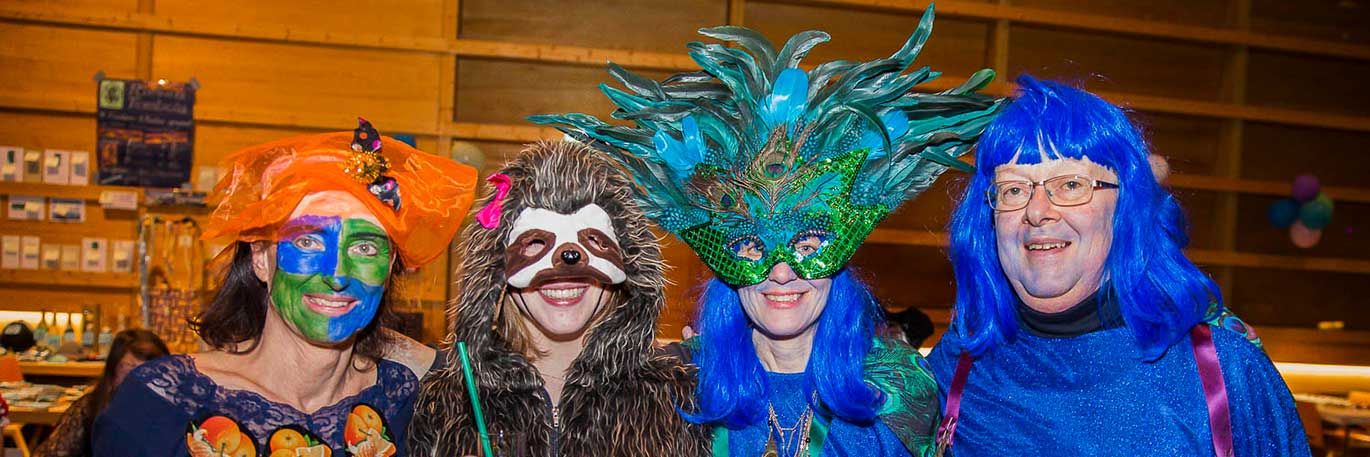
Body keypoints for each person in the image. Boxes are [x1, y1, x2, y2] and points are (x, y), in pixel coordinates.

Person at [532, 6, 1002, 456]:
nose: (780, 272)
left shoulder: (901, 387)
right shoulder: (673, 383)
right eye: (751, 247)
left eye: (808, 244)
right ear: (723, 259)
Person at [928, 76, 1310, 456]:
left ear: (1127, 208)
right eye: (1014, 189)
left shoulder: (1222, 370)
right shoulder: (955, 370)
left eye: (1071, 185)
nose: (1037, 211)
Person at [91, 119, 477, 456]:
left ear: (390, 266)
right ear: (261, 258)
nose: (337, 275)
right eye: (308, 241)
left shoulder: (410, 405)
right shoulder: (162, 405)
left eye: (364, 248)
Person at [407, 141, 710, 456]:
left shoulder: (676, 401)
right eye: (536, 242)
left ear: (628, 266)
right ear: (496, 272)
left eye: (592, 239)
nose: (567, 260)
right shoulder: (447, 404)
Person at [35, 329, 171, 457]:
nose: (141, 380)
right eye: (130, 369)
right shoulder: (90, 408)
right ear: (113, 371)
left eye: (151, 372)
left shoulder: (171, 413)